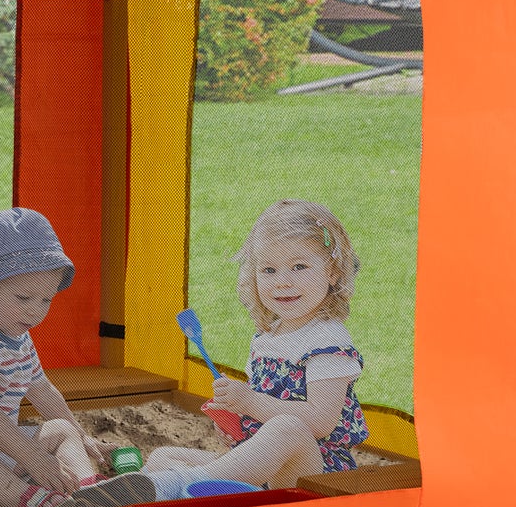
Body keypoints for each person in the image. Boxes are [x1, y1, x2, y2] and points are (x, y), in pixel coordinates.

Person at [140, 199, 369, 491]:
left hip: (314, 473)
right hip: (266, 471)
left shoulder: (327, 340)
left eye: (299, 267)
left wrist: (249, 401)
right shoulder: (266, 338)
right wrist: (237, 418)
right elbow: (262, 410)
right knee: (164, 456)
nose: (282, 282)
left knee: (289, 428)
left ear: (333, 272)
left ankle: (186, 485)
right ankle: (141, 494)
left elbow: (320, 423)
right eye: (269, 270)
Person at [0, 208, 108, 507]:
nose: (35, 312)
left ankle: (89, 491)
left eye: (46, 300)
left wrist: (82, 435)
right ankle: (34, 502)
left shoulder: (20, 337)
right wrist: (32, 457)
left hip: (6, 446)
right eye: (24, 298)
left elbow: (42, 389)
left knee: (62, 428)